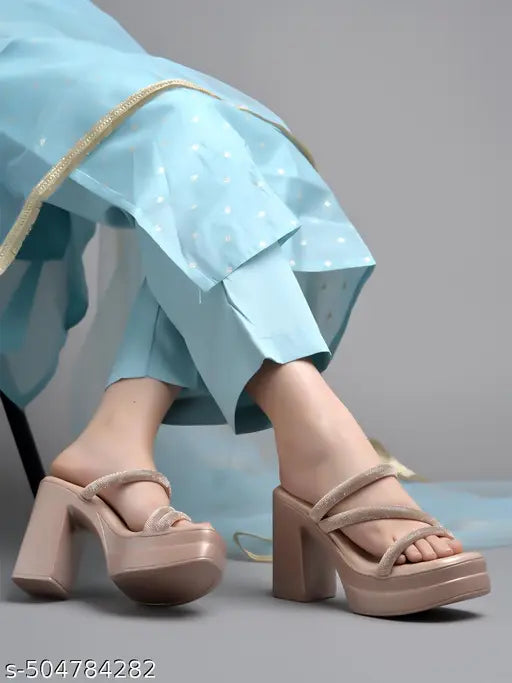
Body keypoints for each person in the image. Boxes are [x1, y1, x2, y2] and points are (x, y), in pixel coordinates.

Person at [0, 0, 490, 616]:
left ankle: (115, 437)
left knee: (245, 146)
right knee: (175, 125)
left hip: (54, 20)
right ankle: (317, 436)